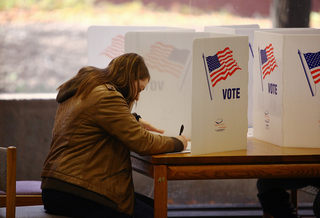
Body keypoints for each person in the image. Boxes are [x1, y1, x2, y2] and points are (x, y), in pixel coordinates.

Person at [41, 53, 188, 218]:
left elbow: (93, 117)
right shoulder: (107, 95)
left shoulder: (87, 88)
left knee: (156, 208)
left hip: (60, 187)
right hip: (78, 191)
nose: (138, 96)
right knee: (156, 213)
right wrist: (180, 142)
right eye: (139, 89)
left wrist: (134, 120)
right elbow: (142, 142)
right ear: (131, 77)